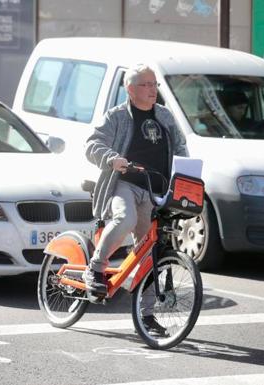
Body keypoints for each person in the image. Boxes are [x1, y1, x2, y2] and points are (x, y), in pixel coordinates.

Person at [84, 64, 187, 298]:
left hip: (155, 190)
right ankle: (95, 268)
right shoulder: (116, 116)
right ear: (130, 89)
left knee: (149, 252)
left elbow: (180, 147)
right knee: (125, 218)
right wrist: (112, 159)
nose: (153, 89)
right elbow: (92, 144)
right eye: (146, 84)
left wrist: (186, 172)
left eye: (154, 84)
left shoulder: (164, 115)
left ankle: (147, 316)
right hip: (124, 183)